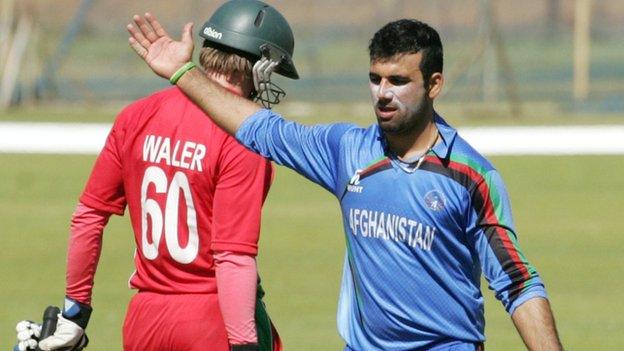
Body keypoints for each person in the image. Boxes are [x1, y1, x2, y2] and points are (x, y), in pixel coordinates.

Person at [126, 12, 565, 351]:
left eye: (398, 81)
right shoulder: (346, 151)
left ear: (434, 84)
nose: (383, 92)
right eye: (375, 79)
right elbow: (259, 127)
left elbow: (518, 283)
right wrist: (184, 74)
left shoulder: (471, 177)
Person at [14, 1, 299, 351]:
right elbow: (232, 256)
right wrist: (243, 343)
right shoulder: (244, 135)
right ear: (257, 67)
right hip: (211, 318)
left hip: (144, 318)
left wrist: (75, 312)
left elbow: (88, 217)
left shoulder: (136, 115)